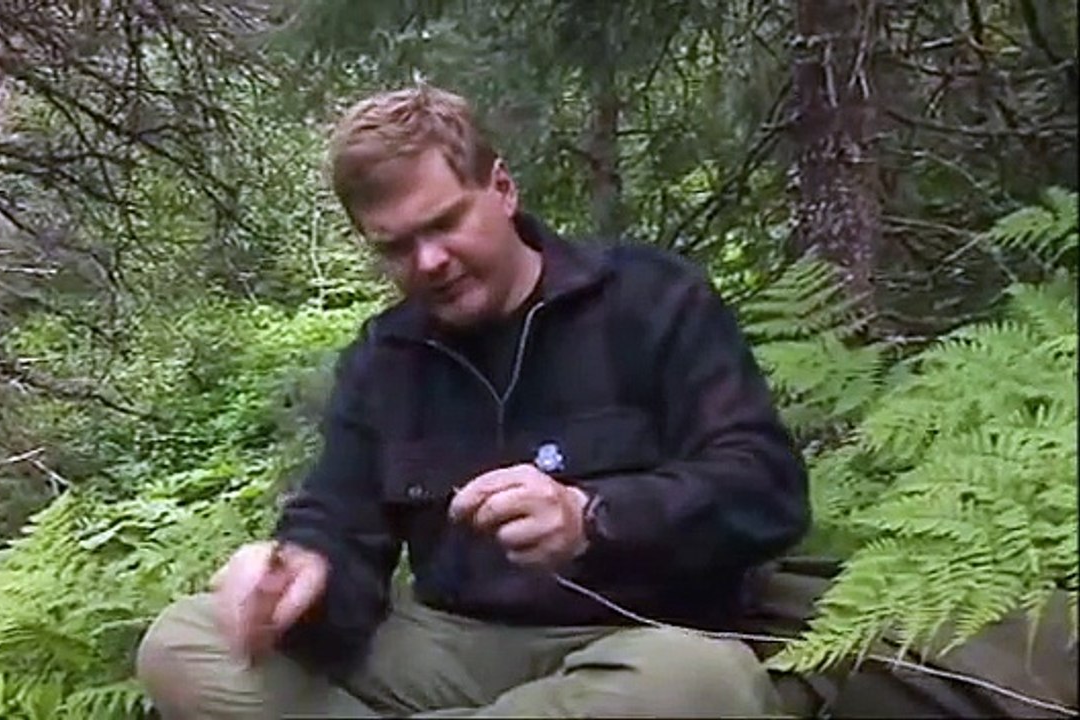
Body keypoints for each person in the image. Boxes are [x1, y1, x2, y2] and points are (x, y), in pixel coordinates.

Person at [135, 83, 811, 718]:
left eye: (445, 223)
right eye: (397, 246)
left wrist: (592, 517)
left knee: (699, 686)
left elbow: (764, 489)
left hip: (636, 640)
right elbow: (338, 521)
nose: (429, 262)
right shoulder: (385, 357)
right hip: (449, 648)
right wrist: (297, 572)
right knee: (184, 642)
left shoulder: (652, 300)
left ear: (502, 189)